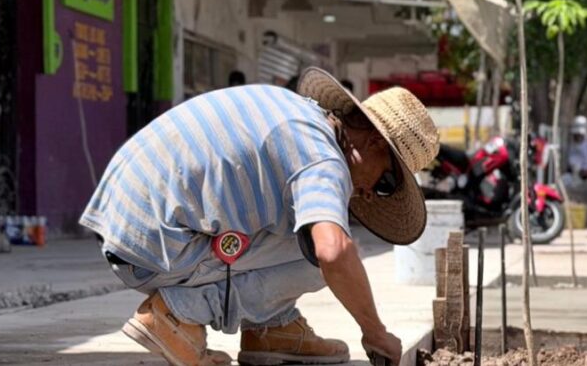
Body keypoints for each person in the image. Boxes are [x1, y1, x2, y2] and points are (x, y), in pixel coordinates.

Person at [81, 68, 439, 366]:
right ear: (375, 143)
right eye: (386, 182)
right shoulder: (323, 159)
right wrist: (375, 332)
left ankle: (271, 329)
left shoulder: (298, 112)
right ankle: (175, 315)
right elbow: (333, 252)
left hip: (132, 227)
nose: (369, 193)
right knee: (322, 256)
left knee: (300, 228)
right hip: (151, 250)